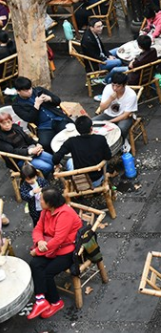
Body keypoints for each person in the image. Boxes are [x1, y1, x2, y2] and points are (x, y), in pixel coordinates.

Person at [27, 187, 83, 319]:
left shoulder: (65, 215)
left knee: (47, 273)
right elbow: (37, 229)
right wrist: (39, 241)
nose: (39, 201)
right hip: (49, 248)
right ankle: (41, 300)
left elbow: (59, 240)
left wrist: (38, 251)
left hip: (67, 251)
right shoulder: (45, 212)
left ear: (50, 203)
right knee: (34, 264)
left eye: (41, 199)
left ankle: (56, 302)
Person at [12, 77, 73, 153]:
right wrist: (36, 106)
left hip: (57, 118)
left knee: (71, 132)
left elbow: (57, 101)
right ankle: (56, 160)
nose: (30, 91)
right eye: (26, 90)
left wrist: (50, 98)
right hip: (43, 126)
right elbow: (29, 118)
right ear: (18, 91)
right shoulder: (17, 105)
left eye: (30, 88)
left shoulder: (38, 90)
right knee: (45, 144)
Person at [52, 116, 112, 186]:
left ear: (77, 130)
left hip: (80, 180)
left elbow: (55, 158)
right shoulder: (100, 139)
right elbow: (108, 156)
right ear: (91, 128)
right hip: (97, 179)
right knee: (102, 158)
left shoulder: (72, 141)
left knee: (69, 161)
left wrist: (57, 164)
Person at [92, 72, 137, 140]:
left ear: (124, 85)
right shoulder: (108, 88)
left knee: (121, 129)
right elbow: (102, 108)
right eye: (113, 85)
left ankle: (122, 143)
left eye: (118, 86)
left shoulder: (131, 95)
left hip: (124, 117)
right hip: (108, 114)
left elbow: (125, 115)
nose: (115, 88)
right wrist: (110, 99)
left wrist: (110, 121)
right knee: (91, 123)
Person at [80, 17, 123, 82]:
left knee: (118, 50)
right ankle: (108, 79)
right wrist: (107, 58)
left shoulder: (93, 33)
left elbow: (101, 47)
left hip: (101, 55)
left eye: (101, 26)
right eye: (98, 27)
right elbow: (95, 56)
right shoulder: (88, 41)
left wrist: (109, 55)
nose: (101, 28)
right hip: (97, 63)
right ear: (91, 28)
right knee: (118, 62)